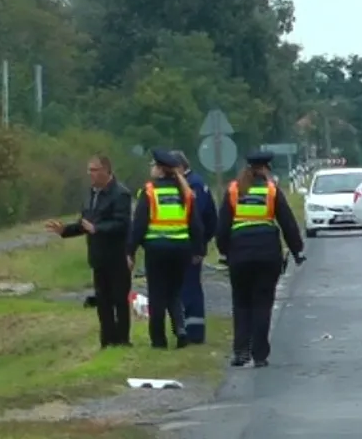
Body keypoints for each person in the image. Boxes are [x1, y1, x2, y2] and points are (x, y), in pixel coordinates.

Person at [216, 150, 305, 367]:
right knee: (262, 304)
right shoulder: (272, 191)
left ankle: (240, 352)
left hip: (239, 254)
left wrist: (224, 252)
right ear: (265, 169)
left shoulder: (234, 190)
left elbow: (223, 226)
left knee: (241, 303)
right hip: (267, 255)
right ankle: (260, 355)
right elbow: (287, 223)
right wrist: (297, 250)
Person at [46, 155, 133, 348]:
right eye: (89, 170)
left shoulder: (120, 194)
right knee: (102, 302)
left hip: (117, 256)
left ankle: (122, 340)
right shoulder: (91, 194)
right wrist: (65, 231)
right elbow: (85, 223)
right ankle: (107, 340)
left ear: (106, 170)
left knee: (119, 300)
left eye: (94, 170)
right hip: (97, 257)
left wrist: (98, 229)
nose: (90, 174)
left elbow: (122, 224)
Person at [127, 150, 206, 349]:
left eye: (153, 165)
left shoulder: (149, 191)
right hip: (181, 249)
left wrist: (130, 251)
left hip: (156, 249)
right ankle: (180, 329)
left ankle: (159, 340)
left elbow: (139, 225)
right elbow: (195, 224)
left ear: (161, 170)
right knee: (175, 292)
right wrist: (199, 250)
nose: (151, 168)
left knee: (157, 295)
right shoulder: (185, 192)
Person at [170, 150, 218, 345]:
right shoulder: (193, 182)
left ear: (180, 168)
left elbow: (196, 219)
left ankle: (195, 333)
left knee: (189, 288)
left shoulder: (194, 184)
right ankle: (189, 329)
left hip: (190, 246)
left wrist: (199, 247)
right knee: (185, 288)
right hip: (187, 244)